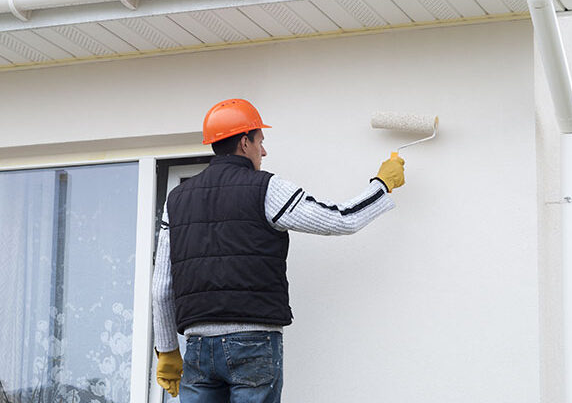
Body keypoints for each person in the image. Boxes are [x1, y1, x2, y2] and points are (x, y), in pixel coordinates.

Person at [151, 98, 405, 402]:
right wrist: (382, 185)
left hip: (197, 348)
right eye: (261, 141)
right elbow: (341, 220)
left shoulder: (176, 199)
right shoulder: (265, 188)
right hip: (253, 343)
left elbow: (162, 287)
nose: (264, 150)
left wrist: (166, 350)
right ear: (245, 142)